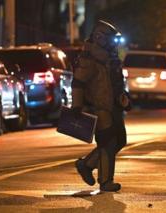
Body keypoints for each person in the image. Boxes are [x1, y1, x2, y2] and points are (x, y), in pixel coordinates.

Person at [71, 20, 131, 192]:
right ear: (100, 38)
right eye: (111, 40)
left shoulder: (112, 58)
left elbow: (118, 83)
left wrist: (125, 99)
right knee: (108, 142)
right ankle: (105, 181)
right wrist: (77, 106)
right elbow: (78, 83)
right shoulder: (89, 59)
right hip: (99, 108)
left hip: (115, 107)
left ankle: (86, 165)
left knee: (120, 140)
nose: (114, 43)